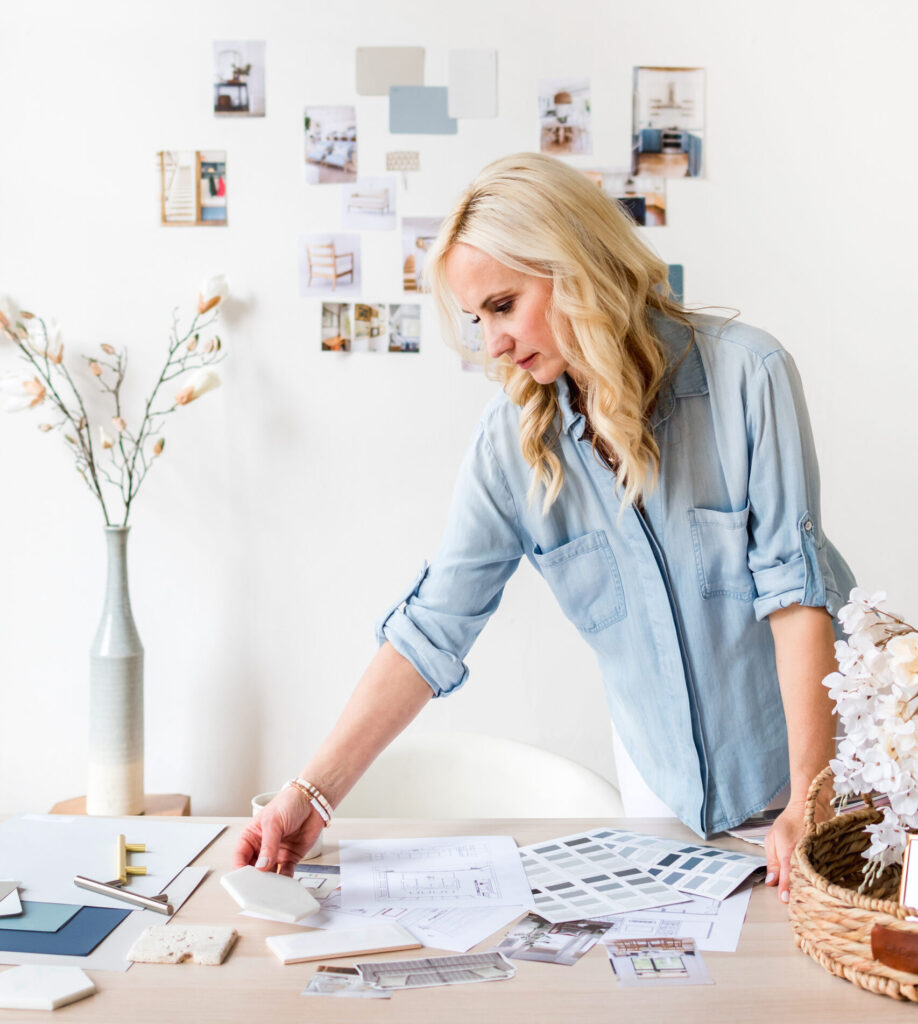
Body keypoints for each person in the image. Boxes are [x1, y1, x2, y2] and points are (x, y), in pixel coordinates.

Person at [233, 152, 854, 903]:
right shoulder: (511, 447)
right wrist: (313, 792)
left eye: (502, 305)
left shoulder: (748, 377)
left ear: (576, 266)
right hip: (665, 800)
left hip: (812, 777)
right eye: (476, 318)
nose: (491, 343)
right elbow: (433, 628)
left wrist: (807, 800)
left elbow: (796, 601)